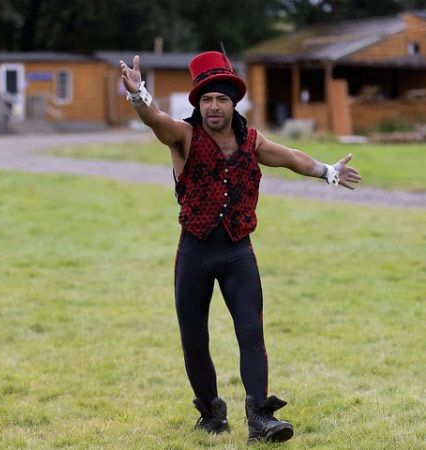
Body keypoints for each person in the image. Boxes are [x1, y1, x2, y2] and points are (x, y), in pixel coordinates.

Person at [120, 51, 361, 445]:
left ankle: (260, 418)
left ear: (234, 103)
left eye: (222, 99)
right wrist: (137, 94)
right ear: (198, 104)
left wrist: (327, 171)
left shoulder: (251, 141)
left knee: (251, 332)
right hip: (195, 252)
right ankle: (211, 412)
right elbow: (155, 120)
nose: (214, 107)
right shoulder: (183, 136)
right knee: (194, 338)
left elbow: (292, 158)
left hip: (237, 253)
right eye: (207, 99)